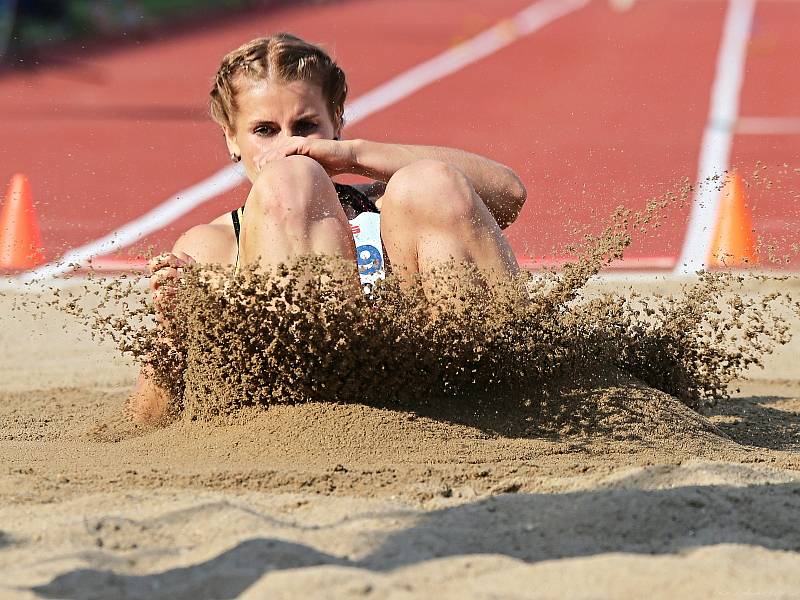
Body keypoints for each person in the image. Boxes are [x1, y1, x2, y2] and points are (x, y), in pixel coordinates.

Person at [126, 32, 527, 424]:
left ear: (336, 122)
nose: (287, 145)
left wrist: (352, 155)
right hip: (299, 414)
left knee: (431, 181)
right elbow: (150, 417)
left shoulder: (389, 206)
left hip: (435, 395)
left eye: (305, 126)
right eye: (265, 130)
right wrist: (174, 325)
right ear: (232, 138)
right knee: (291, 180)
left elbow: (508, 192)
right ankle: (316, 408)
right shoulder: (211, 246)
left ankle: (501, 386)